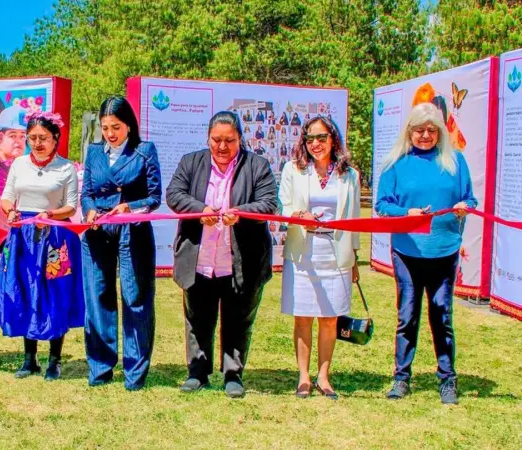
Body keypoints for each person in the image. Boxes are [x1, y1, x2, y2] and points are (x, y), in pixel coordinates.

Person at [166, 111, 278, 398]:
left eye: (230, 140)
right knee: (197, 319)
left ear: (240, 138)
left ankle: (233, 375)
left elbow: (268, 204)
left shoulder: (257, 166)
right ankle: (197, 373)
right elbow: (174, 194)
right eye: (217, 140)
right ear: (208, 138)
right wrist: (199, 209)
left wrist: (239, 214)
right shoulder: (191, 162)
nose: (223, 146)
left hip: (242, 261)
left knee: (238, 319)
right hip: (200, 259)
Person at [376, 102, 477, 405]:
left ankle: (447, 380)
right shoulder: (395, 164)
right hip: (407, 252)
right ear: (409, 131)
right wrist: (407, 212)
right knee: (407, 316)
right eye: (419, 130)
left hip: (444, 251)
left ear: (440, 132)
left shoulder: (455, 161)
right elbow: (382, 205)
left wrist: (464, 207)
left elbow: (469, 198)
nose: (425, 135)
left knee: (441, 315)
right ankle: (401, 378)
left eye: (432, 130)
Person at [0, 111, 84, 381]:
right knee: (25, 290)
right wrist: (10, 212)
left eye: (43, 137)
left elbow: (71, 205)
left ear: (55, 138)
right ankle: (29, 358)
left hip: (56, 237)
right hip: (24, 238)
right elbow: (7, 197)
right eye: (32, 138)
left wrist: (50, 215)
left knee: (56, 293)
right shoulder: (19, 165)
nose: (37, 143)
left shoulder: (66, 168)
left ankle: (55, 360)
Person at [81, 96, 162, 391]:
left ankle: (135, 372)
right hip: (97, 231)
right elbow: (87, 192)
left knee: (135, 298)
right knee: (98, 297)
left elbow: (154, 198)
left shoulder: (144, 151)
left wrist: (130, 206)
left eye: (115, 127)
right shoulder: (93, 153)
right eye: (105, 128)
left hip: (133, 231)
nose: (110, 133)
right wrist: (89, 209)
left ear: (129, 124)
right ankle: (100, 368)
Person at [279, 116, 360, 400]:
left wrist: (355, 258)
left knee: (329, 318)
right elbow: (284, 205)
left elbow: (354, 218)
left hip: (337, 253)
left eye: (322, 138)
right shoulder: (293, 170)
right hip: (303, 251)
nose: (315, 144)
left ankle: (324, 377)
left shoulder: (350, 175)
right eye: (310, 138)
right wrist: (301, 217)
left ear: (333, 139)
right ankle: (303, 377)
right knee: (303, 317)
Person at [0, 105, 29, 236]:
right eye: (13, 136)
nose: (19, 141)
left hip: (20, 237)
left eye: (22, 136)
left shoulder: (29, 167)